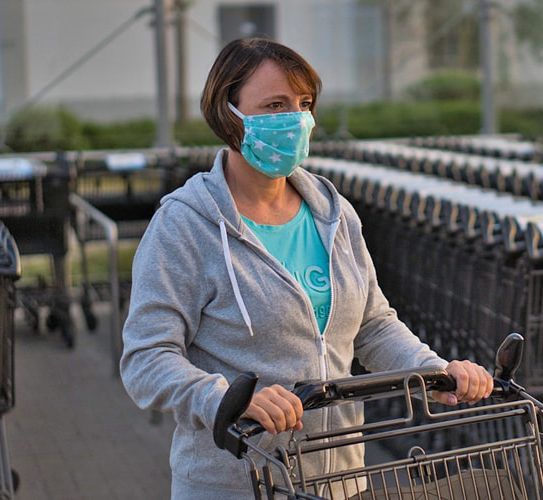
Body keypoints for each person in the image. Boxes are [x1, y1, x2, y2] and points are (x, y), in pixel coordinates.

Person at [120, 37, 493, 499]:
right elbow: (146, 359)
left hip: (338, 482)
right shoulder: (185, 225)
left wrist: (432, 371)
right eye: (275, 105)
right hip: (238, 484)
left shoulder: (331, 212)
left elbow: (373, 326)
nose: (296, 120)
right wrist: (225, 400)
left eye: (304, 104)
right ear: (227, 113)